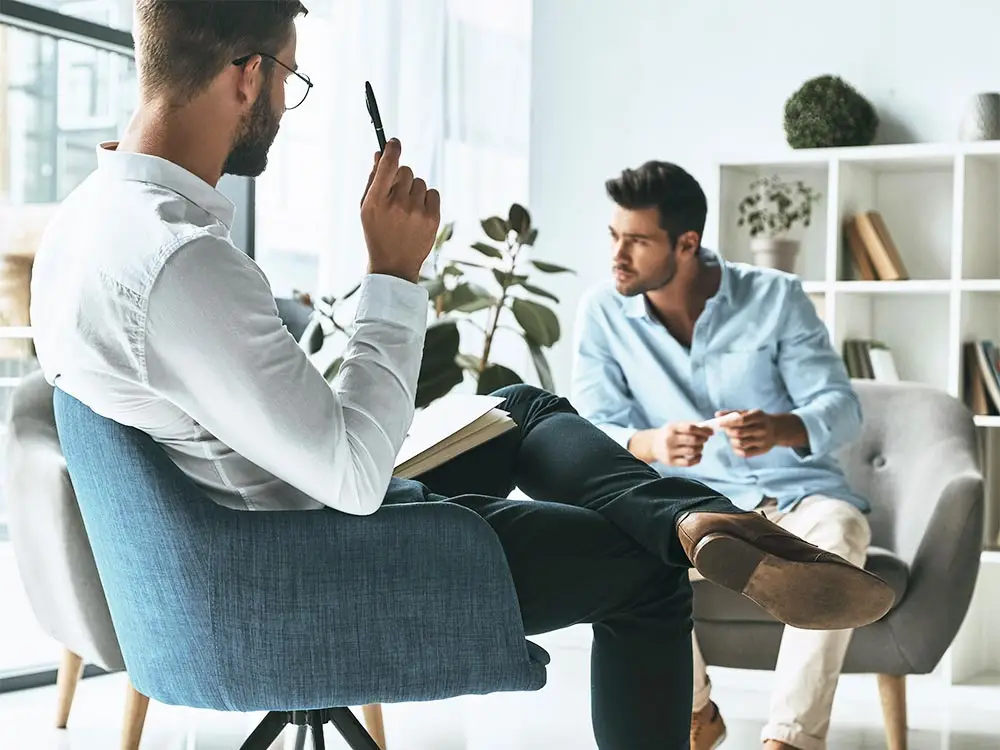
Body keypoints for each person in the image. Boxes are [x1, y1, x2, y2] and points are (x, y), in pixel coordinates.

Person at [29, 4, 891, 749]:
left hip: (259, 532)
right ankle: (679, 529)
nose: (287, 106)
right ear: (246, 76)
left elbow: (248, 424)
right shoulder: (184, 264)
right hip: (315, 563)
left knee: (519, 405)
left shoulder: (86, 226)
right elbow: (356, 479)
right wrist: (393, 276)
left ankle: (687, 514)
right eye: (290, 81)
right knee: (646, 576)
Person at [571, 160, 881, 750]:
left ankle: (788, 741)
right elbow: (589, 430)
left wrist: (781, 427)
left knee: (841, 529)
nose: (618, 254)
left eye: (636, 240)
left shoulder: (776, 296)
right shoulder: (603, 314)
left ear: (686, 244)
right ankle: (694, 714)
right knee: (613, 546)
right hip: (684, 508)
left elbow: (842, 409)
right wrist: (650, 443)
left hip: (792, 497)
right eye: (614, 236)